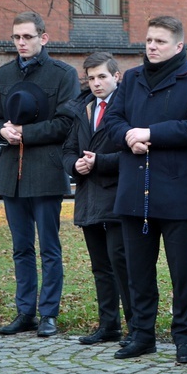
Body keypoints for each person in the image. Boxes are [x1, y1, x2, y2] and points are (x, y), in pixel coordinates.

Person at [107, 15, 187, 364]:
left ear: (178, 46)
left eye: (160, 42)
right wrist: (128, 137)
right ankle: (142, 334)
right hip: (134, 187)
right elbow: (112, 121)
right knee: (138, 269)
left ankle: (184, 337)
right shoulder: (132, 79)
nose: (152, 47)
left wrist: (150, 133)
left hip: (175, 189)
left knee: (182, 271)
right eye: (149, 40)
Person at [0, 11, 80, 337]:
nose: (21, 42)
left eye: (27, 37)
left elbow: (66, 123)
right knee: (21, 248)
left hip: (45, 172)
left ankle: (48, 314)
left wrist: (26, 133)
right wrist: (3, 131)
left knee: (49, 248)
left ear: (43, 38)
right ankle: (24, 312)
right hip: (10, 173)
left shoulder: (63, 74)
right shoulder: (4, 74)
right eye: (16, 37)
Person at [62, 52, 132, 346]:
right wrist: (74, 165)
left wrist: (99, 162)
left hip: (117, 196)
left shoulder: (128, 107)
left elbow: (132, 151)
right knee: (100, 266)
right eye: (91, 78)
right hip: (89, 197)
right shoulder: (82, 108)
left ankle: (137, 328)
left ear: (116, 76)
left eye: (102, 76)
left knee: (123, 264)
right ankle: (109, 325)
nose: (96, 83)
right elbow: (67, 151)